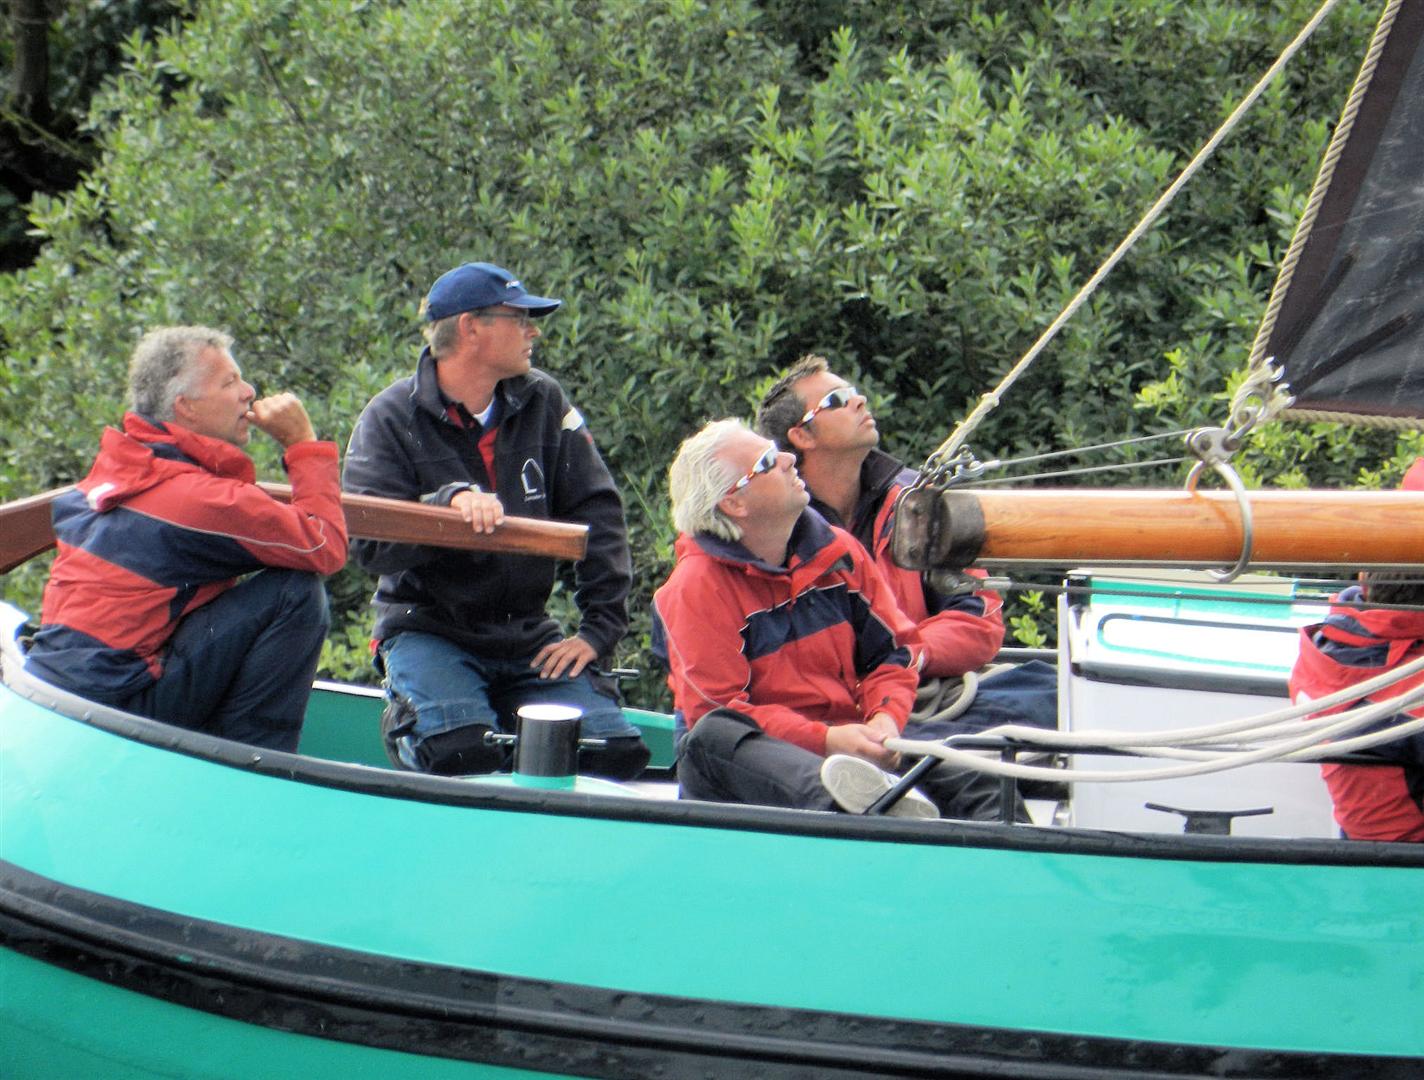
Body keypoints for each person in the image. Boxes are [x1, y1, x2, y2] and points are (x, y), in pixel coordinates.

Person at [343, 261, 648, 779]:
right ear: (470, 327)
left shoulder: (544, 400)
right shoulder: (389, 416)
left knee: (611, 755)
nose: (534, 332)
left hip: (526, 635)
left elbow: (599, 513)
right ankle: (416, 726)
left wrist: (598, 633)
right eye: (520, 319)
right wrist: (445, 509)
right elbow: (367, 546)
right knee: (459, 752)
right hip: (428, 630)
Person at [652, 418, 1006, 820]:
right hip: (759, 761)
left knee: (978, 780)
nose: (788, 459)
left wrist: (885, 719)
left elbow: (893, 652)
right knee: (715, 733)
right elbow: (720, 709)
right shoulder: (695, 588)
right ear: (735, 504)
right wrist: (826, 740)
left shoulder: (836, 551)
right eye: (767, 462)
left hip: (848, 739)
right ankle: (864, 809)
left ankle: (1016, 858)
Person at [25, 325, 346, 751]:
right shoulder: (199, 500)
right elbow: (324, 545)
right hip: (117, 709)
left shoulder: (118, 469)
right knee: (296, 591)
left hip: (49, 691)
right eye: (229, 382)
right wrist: (302, 443)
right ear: (186, 407)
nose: (248, 392)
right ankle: (251, 764)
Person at [755, 354, 1056, 735]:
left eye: (853, 392)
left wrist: (905, 653)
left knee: (1053, 693)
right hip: (834, 717)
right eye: (836, 400)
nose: (859, 401)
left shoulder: (916, 503)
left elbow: (979, 619)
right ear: (802, 436)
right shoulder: (776, 530)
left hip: (926, 693)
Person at [1288, 457, 1424, 843]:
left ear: (1362, 579)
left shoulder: (1322, 647)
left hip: (1359, 847)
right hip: (1418, 860)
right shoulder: (1420, 686)